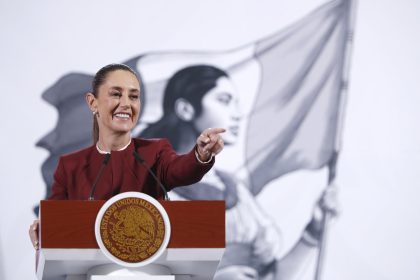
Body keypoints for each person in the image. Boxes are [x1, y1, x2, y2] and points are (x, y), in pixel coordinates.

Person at [141, 65, 338, 280]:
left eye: (236, 102)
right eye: (224, 100)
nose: (237, 114)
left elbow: (270, 276)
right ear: (186, 109)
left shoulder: (233, 189)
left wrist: (313, 232)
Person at [29, 63, 225, 250]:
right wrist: (44, 227)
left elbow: (182, 170)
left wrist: (200, 155)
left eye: (133, 97)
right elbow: (56, 219)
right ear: (93, 102)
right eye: (116, 95)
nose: (126, 104)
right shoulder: (70, 166)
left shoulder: (155, 152)